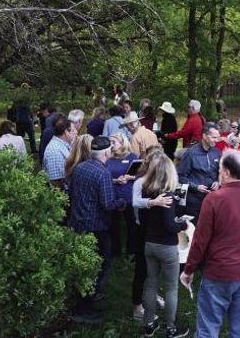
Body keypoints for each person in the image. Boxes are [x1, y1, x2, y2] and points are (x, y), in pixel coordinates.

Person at [180, 150, 240, 338]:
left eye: (219, 168)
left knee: (208, 329)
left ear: (225, 172)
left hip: (220, 273)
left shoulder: (214, 198)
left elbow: (200, 240)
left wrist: (188, 270)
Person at [68, 136, 127, 323]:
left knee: (84, 265)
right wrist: (122, 202)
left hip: (78, 223)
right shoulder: (102, 173)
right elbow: (108, 204)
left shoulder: (80, 167)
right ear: (107, 152)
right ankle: (85, 308)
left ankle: (85, 296)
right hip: (96, 227)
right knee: (100, 265)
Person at [133, 153, 190, 338]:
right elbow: (169, 226)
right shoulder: (167, 195)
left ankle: (149, 323)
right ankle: (171, 328)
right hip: (166, 246)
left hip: (149, 243)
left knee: (151, 283)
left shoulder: (147, 192)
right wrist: (183, 224)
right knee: (171, 287)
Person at [176, 123, 221, 223]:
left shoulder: (217, 152)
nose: (216, 140)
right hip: (194, 201)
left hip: (212, 200)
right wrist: (196, 187)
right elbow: (181, 177)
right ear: (204, 136)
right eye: (213, 137)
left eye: (217, 138)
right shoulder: (191, 153)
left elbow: (221, 172)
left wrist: (218, 181)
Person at [106, 133, 139, 258]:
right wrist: (115, 180)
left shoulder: (132, 157)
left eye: (114, 142)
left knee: (131, 225)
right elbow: (103, 176)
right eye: (110, 142)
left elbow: (140, 176)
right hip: (113, 195)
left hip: (129, 196)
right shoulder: (108, 157)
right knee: (114, 225)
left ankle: (131, 251)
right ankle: (116, 251)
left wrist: (130, 177)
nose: (111, 145)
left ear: (122, 143)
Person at [43, 116, 76, 190]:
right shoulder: (54, 151)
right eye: (73, 130)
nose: (76, 132)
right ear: (66, 132)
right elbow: (56, 183)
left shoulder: (62, 144)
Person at [12, 84, 37, 153]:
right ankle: (33, 150)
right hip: (27, 120)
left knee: (20, 137)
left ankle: (19, 150)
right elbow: (30, 110)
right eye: (28, 89)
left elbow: (13, 109)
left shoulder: (16, 98)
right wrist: (33, 119)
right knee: (31, 136)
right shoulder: (27, 98)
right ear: (25, 89)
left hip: (19, 120)